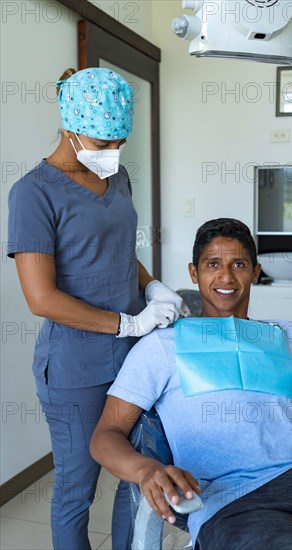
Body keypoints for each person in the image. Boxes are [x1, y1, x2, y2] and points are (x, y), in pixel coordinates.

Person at [90, 218, 292, 550]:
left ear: (255, 271)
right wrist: (145, 469)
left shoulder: (288, 335)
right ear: (194, 273)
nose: (226, 276)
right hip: (232, 504)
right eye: (213, 264)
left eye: (238, 264)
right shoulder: (161, 346)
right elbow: (106, 435)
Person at [7, 67, 189, 550]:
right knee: (76, 489)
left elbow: (119, 255)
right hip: (75, 367)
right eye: (103, 141)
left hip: (134, 357)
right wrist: (128, 321)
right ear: (71, 126)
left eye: (119, 141)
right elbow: (40, 298)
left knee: (138, 476)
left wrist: (155, 289)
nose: (112, 152)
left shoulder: (119, 177)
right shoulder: (33, 193)